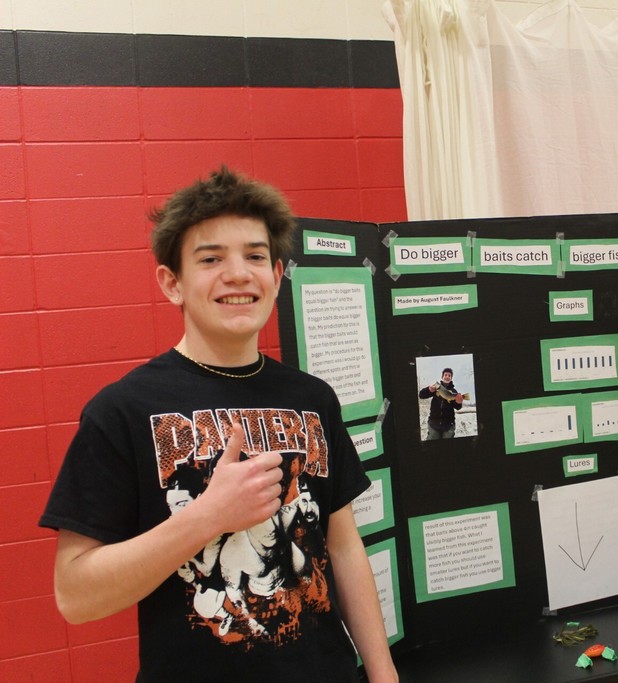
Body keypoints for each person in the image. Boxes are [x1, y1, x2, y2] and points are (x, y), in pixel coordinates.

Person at [38, 167, 398, 683]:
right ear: (172, 283)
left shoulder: (312, 398)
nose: (238, 274)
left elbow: (342, 547)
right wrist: (208, 516)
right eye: (211, 259)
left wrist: (384, 674)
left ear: (277, 274)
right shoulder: (121, 411)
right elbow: (75, 596)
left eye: (255, 256)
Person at [418, 368, 464, 440]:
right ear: (442, 377)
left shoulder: (454, 391)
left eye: (449, 375)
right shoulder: (435, 388)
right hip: (434, 423)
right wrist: (428, 390)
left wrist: (459, 403)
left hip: (448, 425)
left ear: (451, 378)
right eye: (445, 375)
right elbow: (421, 395)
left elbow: (458, 407)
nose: (447, 376)